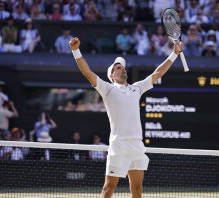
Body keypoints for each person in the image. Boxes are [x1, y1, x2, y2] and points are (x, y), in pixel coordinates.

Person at [69, 34, 182, 198]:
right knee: (108, 187)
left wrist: (175, 53)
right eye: (118, 67)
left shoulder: (137, 88)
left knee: (137, 189)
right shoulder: (107, 88)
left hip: (136, 145)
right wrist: (75, 50)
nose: (122, 69)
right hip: (119, 146)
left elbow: (158, 73)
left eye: (123, 67)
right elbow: (88, 72)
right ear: (111, 75)